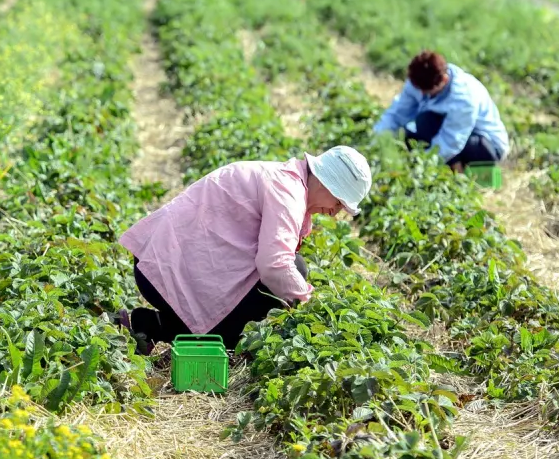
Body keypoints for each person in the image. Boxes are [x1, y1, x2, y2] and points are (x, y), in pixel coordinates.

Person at [115, 145, 372, 355]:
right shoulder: (288, 191)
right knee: (288, 276)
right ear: (327, 183)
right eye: (339, 201)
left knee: (277, 285)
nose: (336, 211)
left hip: (165, 264)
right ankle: (167, 330)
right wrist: (311, 308)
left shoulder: (289, 183)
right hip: (163, 269)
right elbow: (275, 264)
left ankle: (147, 325)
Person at [373, 50, 509, 170]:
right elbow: (397, 115)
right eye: (420, 91)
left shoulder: (463, 97)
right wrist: (377, 141)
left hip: (485, 146)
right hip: (450, 134)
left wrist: (420, 167)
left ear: (444, 79)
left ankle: (458, 173)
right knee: (414, 130)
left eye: (428, 91)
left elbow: (451, 141)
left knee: (427, 124)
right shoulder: (418, 83)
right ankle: (448, 166)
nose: (423, 95)